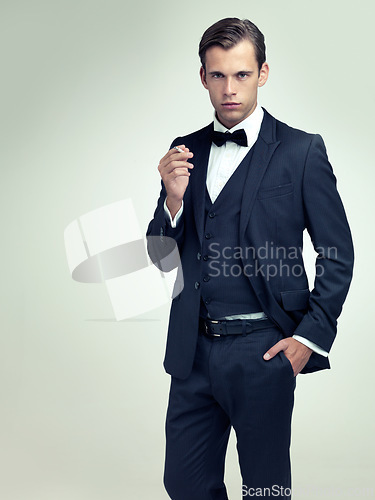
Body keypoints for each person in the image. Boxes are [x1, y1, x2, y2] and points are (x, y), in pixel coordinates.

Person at [146, 17, 354, 500]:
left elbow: (337, 252)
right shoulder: (186, 152)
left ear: (262, 73)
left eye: (241, 75)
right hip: (192, 351)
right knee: (184, 485)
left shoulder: (301, 152)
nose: (229, 89)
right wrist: (172, 201)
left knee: (265, 490)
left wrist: (309, 337)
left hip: (264, 350)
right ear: (203, 78)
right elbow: (161, 261)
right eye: (218, 76)